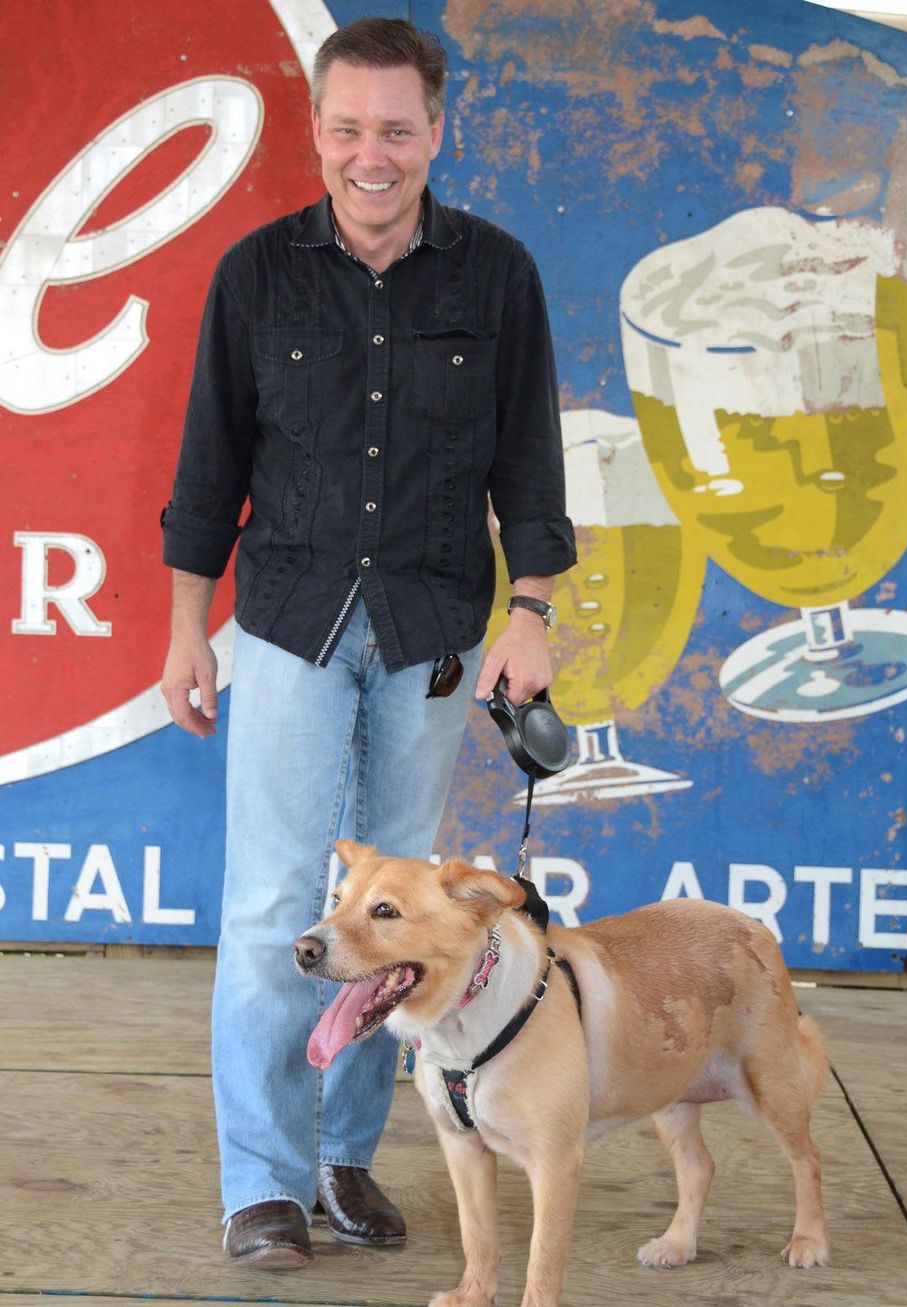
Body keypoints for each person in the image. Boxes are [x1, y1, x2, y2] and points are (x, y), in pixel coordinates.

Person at [160, 16, 575, 1270]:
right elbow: (206, 465)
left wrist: (533, 612)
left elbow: (529, 460)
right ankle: (264, 1184)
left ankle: (346, 1158)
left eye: (396, 130)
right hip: (286, 621)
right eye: (346, 129)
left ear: (434, 133)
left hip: (434, 631)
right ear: (319, 132)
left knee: (402, 919)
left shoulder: (496, 274)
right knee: (272, 907)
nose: (370, 155)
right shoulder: (255, 273)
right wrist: (189, 627)